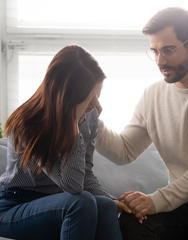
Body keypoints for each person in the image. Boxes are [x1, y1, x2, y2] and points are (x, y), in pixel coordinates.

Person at [95, 7, 188, 240]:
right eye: (155, 51)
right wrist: (90, 116)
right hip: (183, 207)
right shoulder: (152, 95)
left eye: (169, 50)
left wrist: (156, 200)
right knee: (133, 222)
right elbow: (124, 151)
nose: (160, 60)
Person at [0, 45, 125, 240]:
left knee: (106, 206)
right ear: (68, 96)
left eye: (98, 94)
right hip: (14, 205)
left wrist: (113, 200)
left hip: (57, 202)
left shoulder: (89, 116)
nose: (96, 105)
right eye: (90, 96)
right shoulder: (29, 123)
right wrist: (73, 127)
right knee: (80, 202)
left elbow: (85, 174)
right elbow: (73, 186)